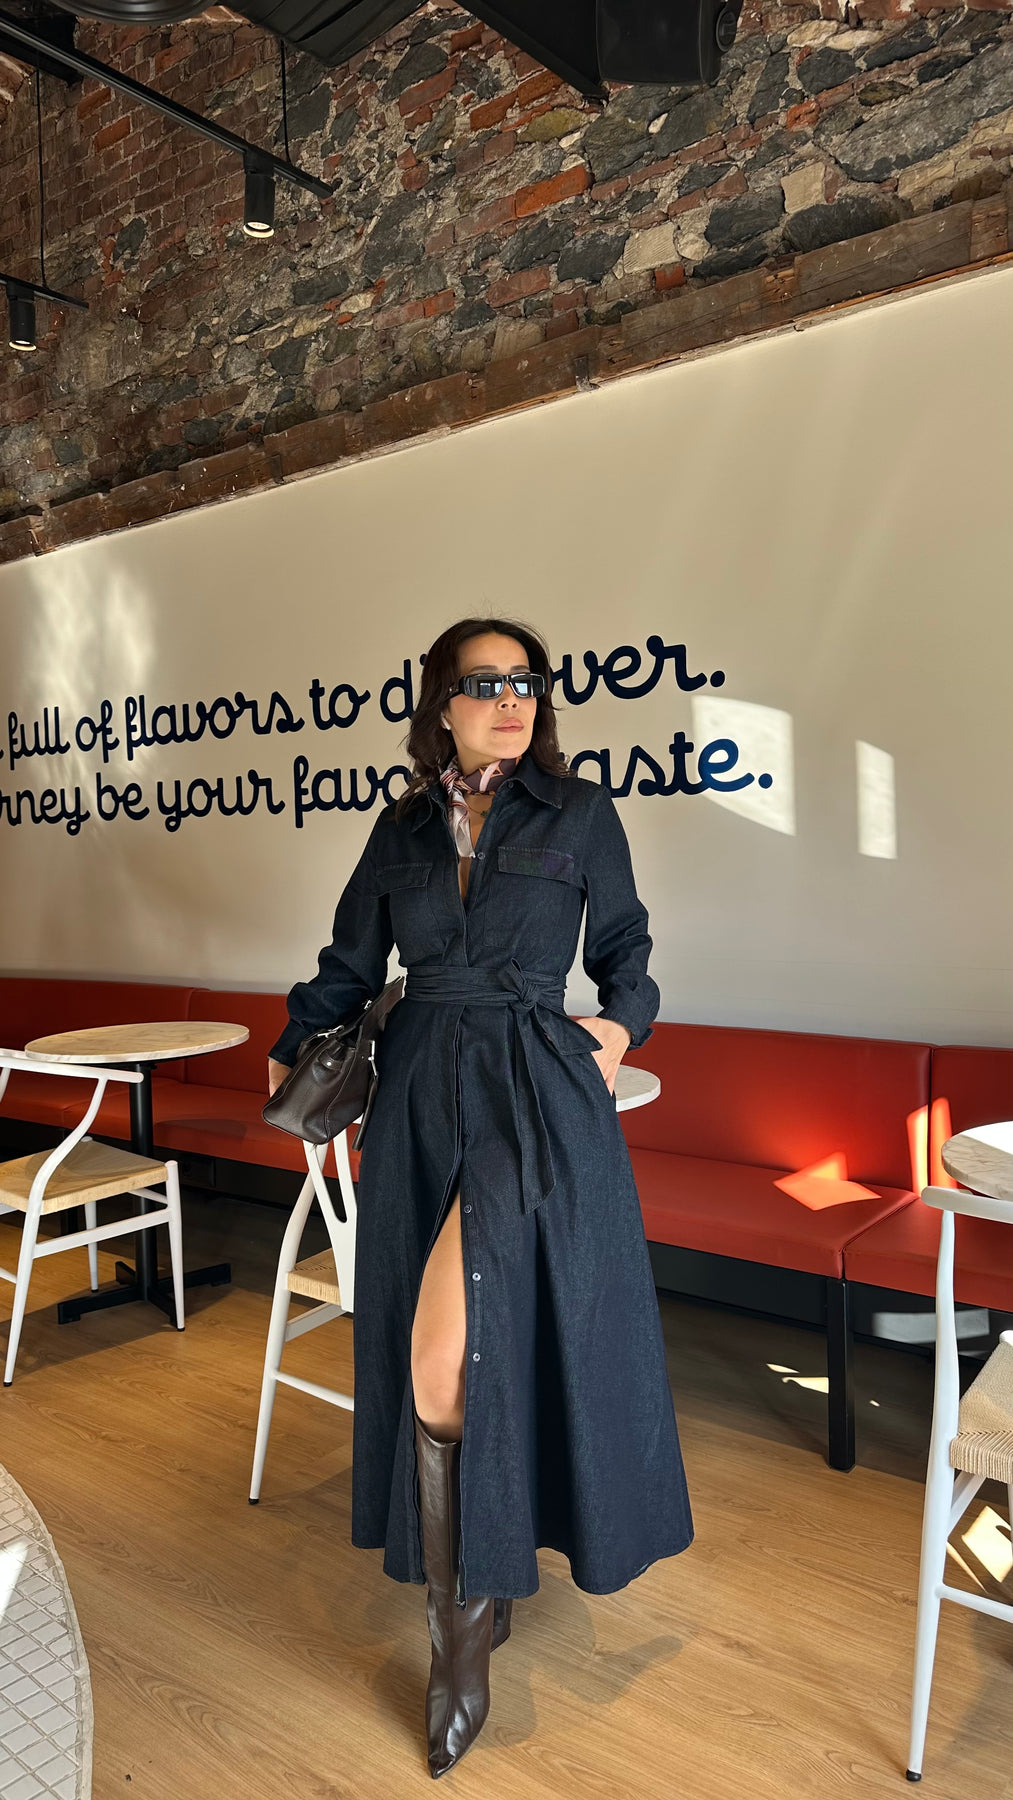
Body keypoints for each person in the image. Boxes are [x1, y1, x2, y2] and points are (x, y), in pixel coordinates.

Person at [268, 617, 693, 1778]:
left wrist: (619, 1027)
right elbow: (350, 965)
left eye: (525, 682)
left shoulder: (579, 813)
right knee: (455, 1350)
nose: (511, 699)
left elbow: (626, 949)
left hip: (533, 1093)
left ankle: (455, 1645)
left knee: (443, 1358)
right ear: (441, 704)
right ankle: (482, 1577)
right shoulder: (399, 826)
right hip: (415, 1093)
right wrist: (296, 1046)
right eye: (484, 682)